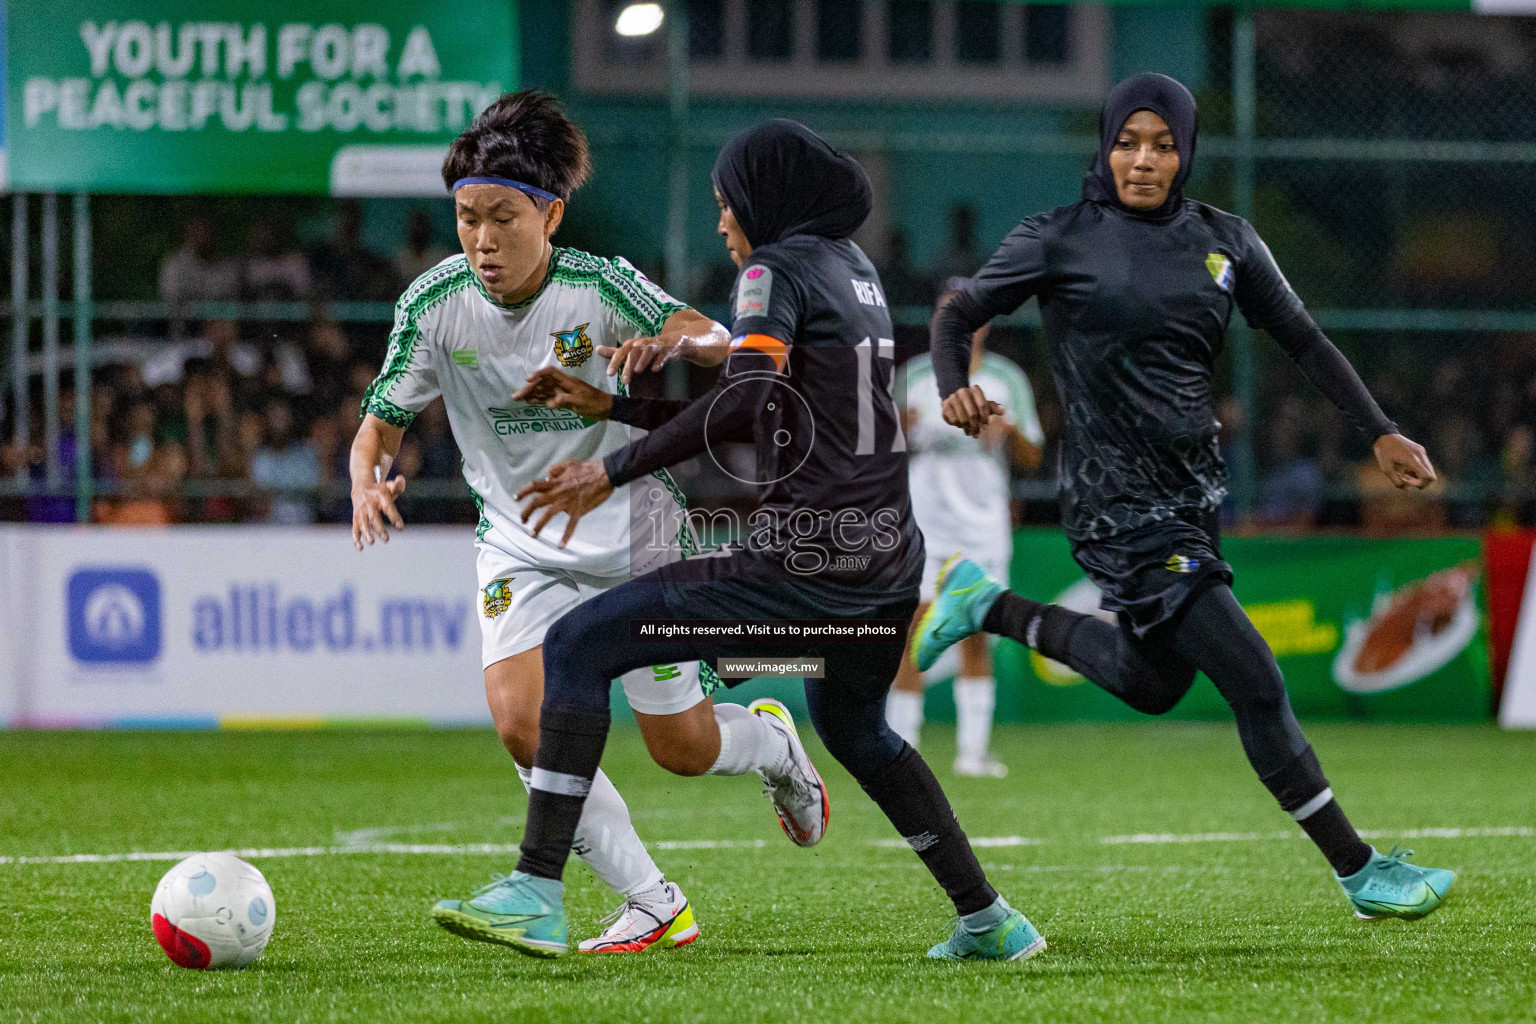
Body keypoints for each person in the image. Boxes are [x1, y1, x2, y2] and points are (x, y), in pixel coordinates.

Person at [483, 119, 1045, 962]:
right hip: (885, 561)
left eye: (725, 203)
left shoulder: (771, 270)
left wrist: (615, 467)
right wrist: (617, 408)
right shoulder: (853, 270)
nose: (721, 221)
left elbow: (744, 401)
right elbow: (778, 409)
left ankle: (535, 888)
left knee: (575, 644)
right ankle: (990, 919)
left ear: (763, 203)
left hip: (804, 566)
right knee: (859, 733)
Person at [912, 73, 1456, 922]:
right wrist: (953, 383)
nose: (1142, 159)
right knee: (1256, 679)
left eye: (1162, 144)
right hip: (1115, 505)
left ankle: (988, 606)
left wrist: (1379, 429)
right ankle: (1360, 871)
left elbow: (1304, 342)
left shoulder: (1227, 242)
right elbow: (956, 313)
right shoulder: (1057, 237)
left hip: (1193, 500)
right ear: (1105, 146)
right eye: (1127, 141)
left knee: (1151, 683)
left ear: (1185, 152)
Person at [349, 91, 820, 955]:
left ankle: (773, 746)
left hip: (633, 533)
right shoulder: (432, 305)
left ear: (550, 214)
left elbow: (708, 333)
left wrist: (674, 342)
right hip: (519, 538)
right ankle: (652, 900)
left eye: (503, 218)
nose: (482, 240)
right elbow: (378, 423)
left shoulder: (597, 287)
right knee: (520, 718)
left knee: (681, 747)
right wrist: (363, 482)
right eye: (466, 219)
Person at [887, 285, 1042, 776]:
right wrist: (895, 430)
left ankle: (972, 754)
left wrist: (1010, 433)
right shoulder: (911, 378)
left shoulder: (1006, 379)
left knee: (977, 633)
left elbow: (1033, 457)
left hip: (982, 526)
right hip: (924, 527)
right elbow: (869, 454)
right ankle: (902, 752)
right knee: (914, 632)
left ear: (985, 323)